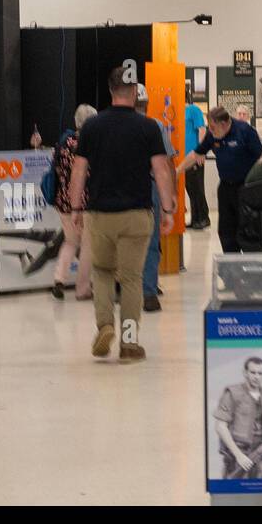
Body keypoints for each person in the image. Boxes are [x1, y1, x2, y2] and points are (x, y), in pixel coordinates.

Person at [67, 65, 178, 363]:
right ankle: (129, 342)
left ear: (111, 90)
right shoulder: (148, 127)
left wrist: (75, 207)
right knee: (131, 278)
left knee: (102, 273)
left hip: (100, 214)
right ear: (134, 92)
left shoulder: (92, 126)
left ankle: (105, 324)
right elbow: (161, 170)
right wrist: (168, 209)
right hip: (137, 213)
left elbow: (78, 171)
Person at [177, 106, 262, 254]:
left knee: (247, 230)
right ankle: (231, 263)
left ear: (223, 124)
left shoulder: (245, 131)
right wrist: (177, 171)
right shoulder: (213, 135)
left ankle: (250, 263)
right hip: (225, 187)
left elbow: (261, 159)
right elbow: (196, 154)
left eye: (212, 127)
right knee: (226, 231)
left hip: (246, 187)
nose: (210, 131)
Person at [51, 103, 96, 301]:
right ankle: (83, 287)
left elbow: (57, 169)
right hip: (85, 203)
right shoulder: (91, 144)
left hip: (63, 201)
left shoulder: (63, 142)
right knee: (88, 245)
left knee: (70, 242)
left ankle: (59, 280)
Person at [137, 85, 175, 314]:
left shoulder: (113, 125)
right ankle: (149, 293)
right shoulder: (156, 126)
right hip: (149, 186)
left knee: (123, 240)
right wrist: (169, 197)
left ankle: (125, 289)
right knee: (150, 241)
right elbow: (166, 164)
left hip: (120, 187)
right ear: (147, 104)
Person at [183, 91, 209, 229]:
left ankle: (204, 218)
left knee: (198, 188)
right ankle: (195, 219)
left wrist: (201, 151)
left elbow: (202, 129)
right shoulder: (178, 111)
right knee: (190, 189)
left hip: (194, 155)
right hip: (184, 158)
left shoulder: (193, 109)